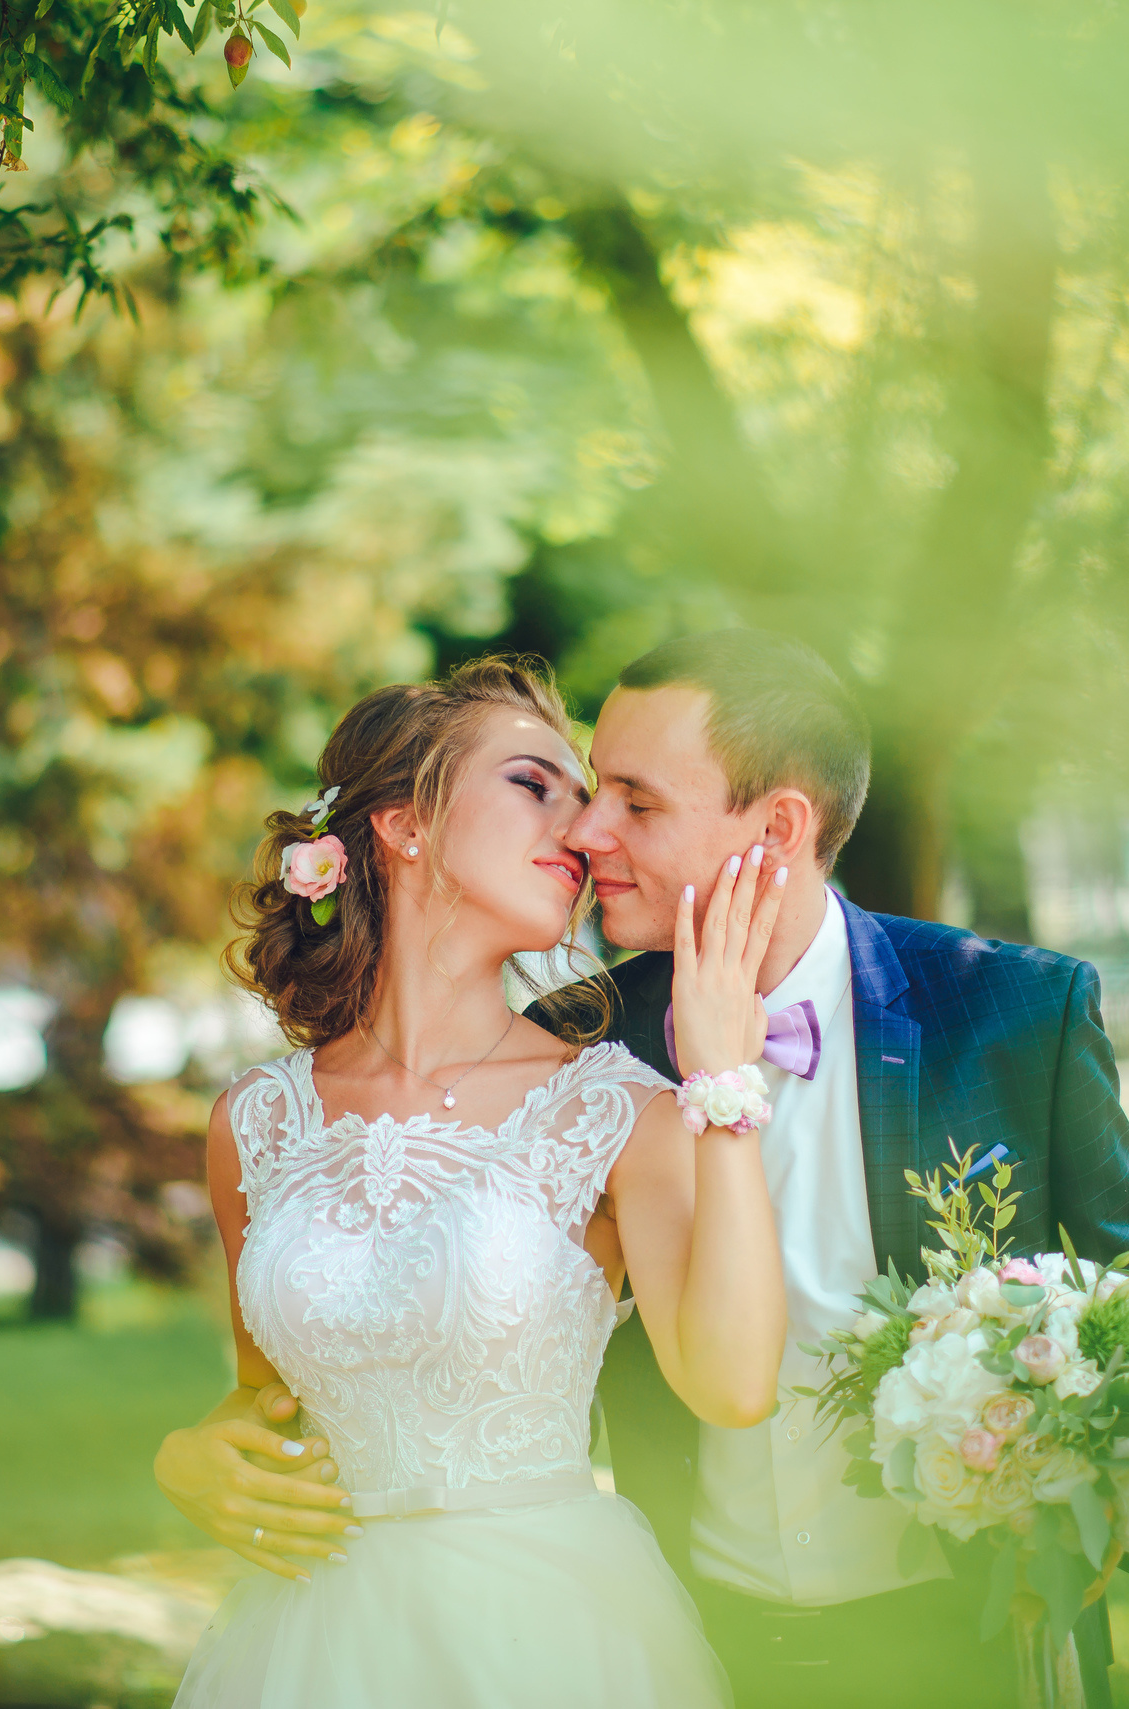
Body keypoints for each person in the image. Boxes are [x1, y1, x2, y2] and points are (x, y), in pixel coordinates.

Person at [166, 631, 1129, 1708]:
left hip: (966, 1631)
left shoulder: (1010, 1014)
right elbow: (307, 1375)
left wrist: (1081, 1482)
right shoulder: (592, 1043)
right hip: (691, 1621)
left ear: (778, 826)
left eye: (631, 801)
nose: (589, 831)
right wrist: (194, 1453)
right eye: (563, 789)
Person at [154, 655, 790, 1709]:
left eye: (583, 797)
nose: (585, 831)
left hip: (545, 1638)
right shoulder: (255, 1122)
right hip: (309, 1649)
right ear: (403, 826)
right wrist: (189, 1457)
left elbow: (732, 1384)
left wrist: (722, 1077)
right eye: (535, 783)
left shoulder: (616, 1109)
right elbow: (268, 1408)